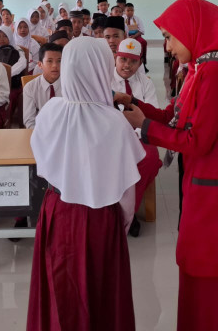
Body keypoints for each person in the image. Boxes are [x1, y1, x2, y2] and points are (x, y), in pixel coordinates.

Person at [120, 0, 218, 331]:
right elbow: (174, 116)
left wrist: (143, 126)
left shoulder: (215, 73)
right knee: (200, 267)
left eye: (170, 37)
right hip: (204, 182)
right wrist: (134, 103)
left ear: (192, 31)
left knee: (216, 271)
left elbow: (197, 140)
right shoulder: (199, 68)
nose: (166, 46)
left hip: (217, 191)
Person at [27, 38, 143, 330]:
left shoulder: (51, 111)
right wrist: (123, 224)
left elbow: (43, 163)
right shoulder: (115, 122)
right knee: (101, 295)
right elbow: (127, 195)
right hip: (101, 218)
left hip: (57, 211)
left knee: (59, 291)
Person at [112, 38, 161, 237]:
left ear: (140, 63)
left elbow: (152, 114)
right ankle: (110, 211)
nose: (127, 65)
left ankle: (128, 214)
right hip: (111, 138)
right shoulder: (104, 81)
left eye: (133, 61)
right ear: (116, 58)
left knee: (149, 160)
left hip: (139, 136)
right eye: (123, 59)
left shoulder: (145, 84)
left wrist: (136, 133)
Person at [22, 42, 63, 130]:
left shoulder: (70, 86)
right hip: (39, 132)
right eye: (50, 61)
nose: (55, 66)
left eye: (59, 61)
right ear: (40, 64)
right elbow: (29, 120)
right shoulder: (30, 88)